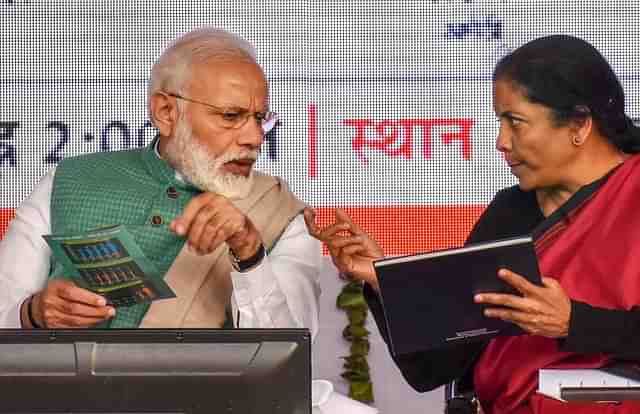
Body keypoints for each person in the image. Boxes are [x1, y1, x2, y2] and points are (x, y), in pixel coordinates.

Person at [305, 35, 640, 414]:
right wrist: (384, 279)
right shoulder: (511, 211)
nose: (500, 142)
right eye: (500, 122)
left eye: (515, 122)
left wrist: (573, 322)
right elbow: (436, 366)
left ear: (578, 124)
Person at [0, 27, 321, 336]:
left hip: (205, 393)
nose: (254, 137)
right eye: (230, 116)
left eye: (259, 118)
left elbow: (291, 351)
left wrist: (250, 251)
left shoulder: (281, 211)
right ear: (166, 112)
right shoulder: (68, 181)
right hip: (63, 391)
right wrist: (33, 313)